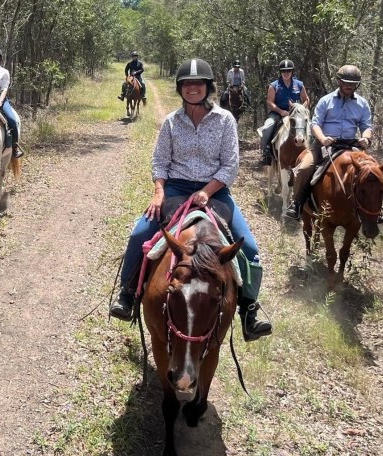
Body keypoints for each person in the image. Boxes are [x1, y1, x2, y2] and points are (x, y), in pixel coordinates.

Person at [109, 58, 272, 342]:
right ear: (180, 88)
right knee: (139, 235)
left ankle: (249, 311)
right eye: (187, 84)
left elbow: (230, 165)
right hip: (176, 189)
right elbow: (160, 162)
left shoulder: (225, 120)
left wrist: (207, 191)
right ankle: (128, 295)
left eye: (198, 84)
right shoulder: (172, 122)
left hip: (216, 191)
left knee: (252, 250)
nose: (193, 88)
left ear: (208, 87)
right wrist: (159, 191)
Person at [285, 65, 383, 221]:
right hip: (325, 144)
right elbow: (315, 123)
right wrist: (323, 138)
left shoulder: (362, 104)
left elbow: (366, 126)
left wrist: (366, 137)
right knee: (304, 168)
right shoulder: (326, 101)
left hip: (351, 145)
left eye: (353, 83)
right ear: (338, 81)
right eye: (345, 82)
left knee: (375, 172)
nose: (349, 86)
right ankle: (296, 203)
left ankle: (377, 210)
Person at [258, 59, 310, 166]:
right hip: (278, 113)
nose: (286, 73)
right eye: (284, 71)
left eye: (288, 71)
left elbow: (306, 99)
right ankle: (266, 153)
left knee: (312, 127)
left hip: (296, 114)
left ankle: (313, 151)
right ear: (280, 72)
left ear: (292, 72)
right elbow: (269, 101)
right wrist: (280, 111)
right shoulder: (274, 85)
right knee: (268, 127)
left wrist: (300, 108)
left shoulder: (299, 84)